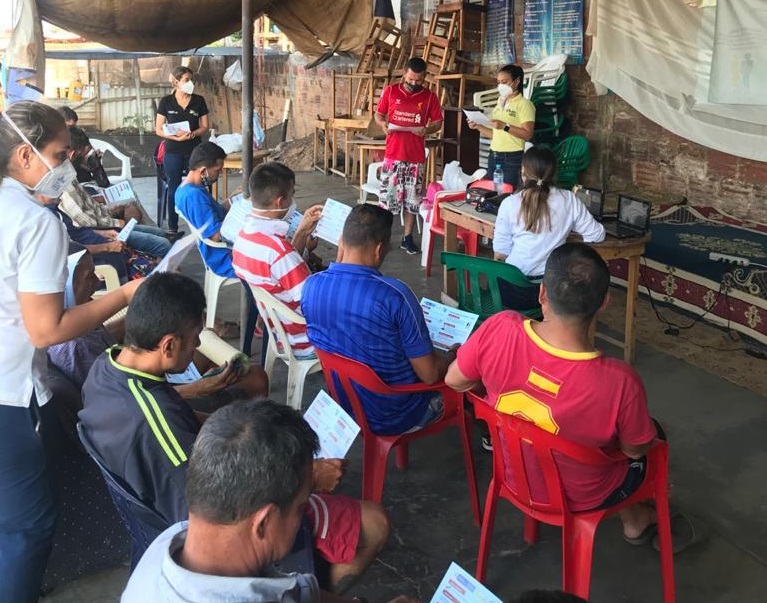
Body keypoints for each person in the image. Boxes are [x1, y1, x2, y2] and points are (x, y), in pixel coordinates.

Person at [80, 272, 390, 591]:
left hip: (153, 515)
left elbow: (180, 415)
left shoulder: (108, 367)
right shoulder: (158, 432)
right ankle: (302, 591)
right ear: (168, 344)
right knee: (375, 523)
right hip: (217, 529)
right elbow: (215, 520)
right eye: (194, 337)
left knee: (252, 390)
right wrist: (306, 479)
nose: (198, 345)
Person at [0, 100, 140, 603]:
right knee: (28, 527)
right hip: (9, 396)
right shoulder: (35, 221)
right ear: (25, 155)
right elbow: (45, 330)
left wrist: (74, 297)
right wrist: (125, 295)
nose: (67, 167)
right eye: (60, 155)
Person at [445, 243, 661, 544]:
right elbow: (634, 451)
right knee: (654, 437)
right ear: (603, 303)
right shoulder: (621, 381)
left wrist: (491, 395)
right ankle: (635, 520)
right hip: (585, 497)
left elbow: (454, 380)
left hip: (513, 475)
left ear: (542, 293)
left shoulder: (499, 328)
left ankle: (634, 516)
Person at [122, 400, 413, 603]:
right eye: (302, 507)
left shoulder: (172, 541)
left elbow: (295, 592)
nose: (304, 515)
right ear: (264, 522)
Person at [48, 246, 269, 415]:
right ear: (65, 286)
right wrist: (198, 388)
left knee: (203, 350)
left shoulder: (78, 328)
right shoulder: (76, 349)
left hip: (148, 387)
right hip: (156, 397)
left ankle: (224, 394)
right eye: (89, 277)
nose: (97, 283)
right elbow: (128, 405)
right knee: (255, 376)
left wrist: (148, 309)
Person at [302, 204, 454, 435]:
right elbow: (430, 375)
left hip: (344, 404)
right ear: (379, 249)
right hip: (397, 414)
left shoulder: (311, 286)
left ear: (342, 241)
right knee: (467, 373)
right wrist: (454, 356)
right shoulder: (395, 295)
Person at [492, 146, 605, 310]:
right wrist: (566, 228)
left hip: (513, 292)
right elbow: (597, 234)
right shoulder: (569, 199)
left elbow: (500, 254)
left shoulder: (509, 203)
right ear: (554, 173)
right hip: (552, 293)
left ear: (523, 172)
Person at [232, 162, 324, 359]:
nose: (293, 201)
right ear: (280, 202)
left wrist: (301, 233)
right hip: (305, 341)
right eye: (292, 195)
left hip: (278, 331)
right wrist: (345, 256)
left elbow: (282, 272)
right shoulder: (279, 252)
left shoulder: (243, 237)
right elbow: (315, 303)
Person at [58, 132, 172, 259]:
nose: (90, 154)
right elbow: (87, 222)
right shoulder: (64, 184)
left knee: (158, 232)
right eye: (87, 153)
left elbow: (100, 190)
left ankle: (159, 239)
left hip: (104, 223)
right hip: (102, 232)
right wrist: (116, 222)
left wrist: (96, 163)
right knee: (163, 244)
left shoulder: (71, 175)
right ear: (73, 154)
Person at [374, 57, 443, 255]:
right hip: (393, 155)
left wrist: (427, 129)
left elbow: (438, 123)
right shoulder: (391, 91)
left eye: (418, 80)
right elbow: (378, 115)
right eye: (411, 79)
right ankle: (382, 239)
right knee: (388, 200)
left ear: (425, 77)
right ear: (404, 73)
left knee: (412, 202)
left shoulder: (430, 97)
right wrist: (383, 125)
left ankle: (407, 238)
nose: (414, 83)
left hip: (415, 158)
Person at [63, 126, 155, 225]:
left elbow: (103, 183)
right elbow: (80, 207)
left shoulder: (82, 147)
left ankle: (148, 227)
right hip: (89, 197)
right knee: (129, 204)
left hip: (93, 190)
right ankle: (144, 228)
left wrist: (96, 164)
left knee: (131, 196)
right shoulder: (66, 169)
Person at [155, 66, 209, 235]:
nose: (190, 83)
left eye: (191, 80)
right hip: (173, 150)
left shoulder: (199, 100)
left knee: (198, 186)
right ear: (176, 82)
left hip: (194, 151)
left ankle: (203, 226)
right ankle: (173, 227)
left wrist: (194, 133)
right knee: (173, 187)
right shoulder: (166, 102)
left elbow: (205, 126)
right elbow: (158, 129)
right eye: (186, 80)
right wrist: (176, 138)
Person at [466, 64, 535, 189]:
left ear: (516, 82)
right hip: (493, 154)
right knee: (492, 192)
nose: (500, 86)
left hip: (511, 158)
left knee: (507, 193)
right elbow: (496, 134)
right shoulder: (500, 102)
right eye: (498, 82)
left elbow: (528, 134)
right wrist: (478, 127)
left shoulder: (524, 104)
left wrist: (505, 126)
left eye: (504, 82)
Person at [175, 141, 233, 277]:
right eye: (217, 170)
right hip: (223, 257)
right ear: (203, 171)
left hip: (222, 251)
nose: (219, 174)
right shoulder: (194, 197)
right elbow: (215, 235)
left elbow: (215, 212)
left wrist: (232, 199)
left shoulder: (188, 188)